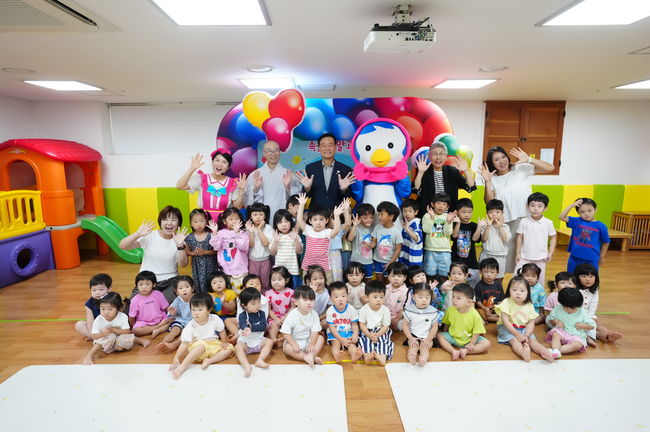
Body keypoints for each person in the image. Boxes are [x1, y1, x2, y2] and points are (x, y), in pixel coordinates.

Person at [478, 146, 555, 273]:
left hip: (527, 219)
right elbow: (489, 202)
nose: (501, 161)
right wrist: (488, 182)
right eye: (496, 159)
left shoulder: (520, 168)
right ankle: (499, 280)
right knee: (505, 256)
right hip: (506, 222)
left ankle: (527, 280)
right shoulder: (492, 177)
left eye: (503, 157)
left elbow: (550, 168)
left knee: (527, 253)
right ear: (492, 163)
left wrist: (529, 159)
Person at [119, 206, 189, 302]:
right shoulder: (150, 235)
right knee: (134, 305)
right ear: (160, 222)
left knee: (170, 306)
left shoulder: (180, 239)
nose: (169, 223)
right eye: (165, 219)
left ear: (178, 223)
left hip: (170, 281)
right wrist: (138, 234)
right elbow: (123, 246)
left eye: (173, 220)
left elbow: (183, 264)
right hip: (147, 280)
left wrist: (180, 246)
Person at [169, 292, 234, 379]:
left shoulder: (215, 318)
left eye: (200, 310)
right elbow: (184, 343)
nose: (196, 313)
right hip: (198, 348)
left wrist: (224, 342)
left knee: (229, 348)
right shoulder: (191, 325)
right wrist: (176, 359)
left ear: (209, 310)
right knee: (201, 346)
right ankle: (182, 367)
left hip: (212, 345)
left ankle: (209, 361)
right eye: (193, 309)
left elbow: (222, 331)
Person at [495, 276, 554, 362]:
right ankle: (523, 353)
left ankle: (545, 352)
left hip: (523, 328)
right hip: (507, 328)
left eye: (522, 291)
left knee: (532, 341)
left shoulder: (529, 305)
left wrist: (526, 335)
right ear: (509, 291)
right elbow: (505, 321)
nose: (518, 293)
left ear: (527, 293)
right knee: (514, 341)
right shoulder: (506, 302)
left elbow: (531, 323)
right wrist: (517, 334)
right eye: (514, 290)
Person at [176, 150, 246, 219]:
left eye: (224, 162)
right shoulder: (202, 178)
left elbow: (237, 207)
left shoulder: (233, 183)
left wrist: (241, 190)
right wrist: (191, 169)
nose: (219, 164)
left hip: (224, 221)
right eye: (217, 160)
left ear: (228, 167)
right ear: (212, 162)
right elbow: (180, 186)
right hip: (203, 221)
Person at [83, 293, 149, 364]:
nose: (106, 312)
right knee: (107, 338)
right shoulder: (98, 320)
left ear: (118, 308)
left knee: (127, 337)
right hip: (106, 341)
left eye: (110, 309)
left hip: (119, 340)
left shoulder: (122, 316)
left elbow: (127, 331)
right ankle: (89, 356)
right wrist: (103, 334)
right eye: (103, 309)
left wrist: (113, 330)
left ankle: (138, 340)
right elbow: (94, 336)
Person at [412, 142, 476, 217]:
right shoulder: (424, 171)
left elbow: (470, 188)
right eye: (435, 154)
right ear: (430, 156)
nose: (438, 157)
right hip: (428, 216)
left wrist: (466, 171)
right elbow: (416, 190)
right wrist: (420, 172)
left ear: (446, 156)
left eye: (441, 154)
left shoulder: (452, 171)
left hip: (448, 217)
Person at [244, 140, 302, 220]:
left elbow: (296, 201)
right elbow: (247, 201)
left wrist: (288, 188)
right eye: (269, 151)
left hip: (282, 219)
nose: (273, 153)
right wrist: (256, 189)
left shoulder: (288, 174)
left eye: (276, 150)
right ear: (264, 153)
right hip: (261, 218)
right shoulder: (255, 175)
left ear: (280, 152)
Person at [296, 133, 355, 210]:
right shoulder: (310, 168)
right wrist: (307, 188)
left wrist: (344, 190)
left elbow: (347, 197)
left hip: (337, 213)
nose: (327, 148)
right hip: (316, 213)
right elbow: (305, 196)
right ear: (319, 148)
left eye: (330, 145)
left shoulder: (345, 169)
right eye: (323, 145)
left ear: (335, 147)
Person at [296, 193, 347, 283]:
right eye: (315, 219)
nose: (318, 222)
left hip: (324, 266)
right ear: (310, 221)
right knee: (307, 285)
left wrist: (336, 216)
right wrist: (302, 205)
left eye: (321, 219)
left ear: (326, 220)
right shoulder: (308, 230)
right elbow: (300, 220)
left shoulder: (327, 232)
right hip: (308, 265)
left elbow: (336, 230)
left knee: (328, 285)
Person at [437, 283, 491, 360]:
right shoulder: (450, 310)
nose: (454, 300)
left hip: (469, 339)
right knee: (439, 335)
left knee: (487, 344)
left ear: (468, 302)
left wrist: (472, 343)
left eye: (458, 298)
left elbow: (477, 331)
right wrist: (445, 334)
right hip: (453, 337)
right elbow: (447, 323)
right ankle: (453, 351)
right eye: (453, 296)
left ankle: (465, 351)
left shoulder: (474, 314)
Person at [574, 263, 623, 345]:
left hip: (588, 314)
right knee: (586, 327)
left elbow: (594, 303)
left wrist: (590, 316)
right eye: (584, 276)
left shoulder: (595, 289)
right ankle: (600, 335)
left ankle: (608, 333)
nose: (588, 279)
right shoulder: (574, 289)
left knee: (597, 324)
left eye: (591, 276)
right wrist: (585, 318)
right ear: (577, 277)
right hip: (576, 315)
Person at [514, 192, 557, 283]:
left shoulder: (548, 222)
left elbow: (553, 238)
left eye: (539, 206)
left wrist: (550, 253)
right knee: (517, 278)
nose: (535, 209)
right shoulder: (524, 221)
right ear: (528, 206)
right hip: (524, 257)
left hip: (541, 258)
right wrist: (517, 253)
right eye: (532, 205)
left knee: (539, 281)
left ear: (545, 208)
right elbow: (519, 237)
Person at [559, 198, 610, 272]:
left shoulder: (601, 226)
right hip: (575, 257)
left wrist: (601, 257)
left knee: (590, 277)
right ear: (578, 213)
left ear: (595, 209)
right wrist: (572, 205)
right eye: (582, 212)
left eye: (589, 210)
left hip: (592, 258)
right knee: (572, 277)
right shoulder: (577, 221)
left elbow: (606, 242)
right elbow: (561, 217)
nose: (587, 214)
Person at [280, 285, 325, 367]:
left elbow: (315, 332)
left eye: (311, 300)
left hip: (309, 341)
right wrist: (293, 344)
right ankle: (306, 357)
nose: (309, 302)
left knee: (321, 338)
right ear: (296, 302)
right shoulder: (293, 314)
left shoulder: (314, 314)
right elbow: (285, 333)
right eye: (305, 300)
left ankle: (311, 355)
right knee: (287, 347)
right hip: (295, 342)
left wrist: (311, 344)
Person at [545, 287, 595, 359]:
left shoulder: (582, 312)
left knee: (578, 345)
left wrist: (583, 326)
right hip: (562, 331)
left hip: (576, 335)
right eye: (565, 307)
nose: (569, 310)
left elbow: (592, 325)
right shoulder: (558, 308)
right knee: (556, 334)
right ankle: (555, 350)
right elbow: (551, 318)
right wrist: (556, 321)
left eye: (573, 308)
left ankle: (556, 351)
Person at [208, 207, 249, 293]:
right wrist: (214, 233)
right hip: (225, 270)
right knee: (228, 294)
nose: (234, 221)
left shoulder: (243, 232)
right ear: (224, 221)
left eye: (237, 219)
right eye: (231, 219)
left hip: (240, 270)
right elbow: (216, 246)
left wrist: (237, 233)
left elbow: (244, 246)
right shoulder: (221, 233)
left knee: (240, 293)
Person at [235, 287, 273, 377]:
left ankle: (260, 360)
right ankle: (246, 365)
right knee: (237, 347)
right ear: (244, 305)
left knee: (269, 342)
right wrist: (245, 328)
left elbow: (263, 326)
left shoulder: (262, 314)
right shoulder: (242, 315)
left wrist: (251, 327)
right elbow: (242, 324)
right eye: (253, 304)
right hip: (246, 343)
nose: (257, 305)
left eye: (259, 302)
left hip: (259, 341)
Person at [402, 283, 441, 367]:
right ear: (413, 297)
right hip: (413, 335)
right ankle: (411, 356)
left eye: (427, 297)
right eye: (420, 297)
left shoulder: (432, 311)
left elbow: (434, 327)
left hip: (427, 336)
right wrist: (410, 338)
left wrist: (429, 339)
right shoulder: (409, 310)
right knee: (413, 346)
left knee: (425, 348)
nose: (424, 300)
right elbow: (405, 325)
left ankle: (423, 358)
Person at [224, 274, 269, 343]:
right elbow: (239, 314)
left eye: (258, 284)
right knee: (227, 320)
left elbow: (264, 316)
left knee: (265, 327)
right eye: (251, 284)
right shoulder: (242, 298)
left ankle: (240, 334)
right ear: (245, 287)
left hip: (257, 322)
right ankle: (237, 333)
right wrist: (242, 324)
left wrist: (251, 326)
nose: (255, 285)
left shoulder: (264, 300)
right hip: (244, 321)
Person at [155, 276, 194, 353]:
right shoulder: (177, 300)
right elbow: (172, 314)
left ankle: (175, 344)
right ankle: (163, 343)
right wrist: (172, 313)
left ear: (192, 288)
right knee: (174, 330)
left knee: (185, 333)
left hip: (193, 322)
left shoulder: (196, 298)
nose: (184, 290)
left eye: (187, 287)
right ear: (177, 292)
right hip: (181, 320)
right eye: (181, 288)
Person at [358, 281, 394, 366]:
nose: (378, 300)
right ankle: (367, 356)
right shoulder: (363, 309)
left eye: (381, 297)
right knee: (364, 341)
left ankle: (382, 357)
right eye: (375, 297)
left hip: (381, 331)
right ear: (367, 297)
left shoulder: (385, 310)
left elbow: (386, 326)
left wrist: (377, 334)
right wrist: (369, 335)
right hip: (367, 331)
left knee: (384, 342)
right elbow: (362, 325)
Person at [421, 193, 456, 282]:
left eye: (444, 204)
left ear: (447, 207)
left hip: (445, 251)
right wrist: (432, 217)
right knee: (430, 275)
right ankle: (430, 290)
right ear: (432, 204)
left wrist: (448, 222)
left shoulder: (448, 217)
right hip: (431, 249)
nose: (441, 206)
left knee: (445, 275)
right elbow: (426, 230)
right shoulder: (427, 216)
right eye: (438, 203)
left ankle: (444, 290)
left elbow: (448, 233)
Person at [326, 282, 362, 363]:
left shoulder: (351, 309)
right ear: (331, 299)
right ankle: (337, 356)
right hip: (336, 334)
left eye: (343, 296)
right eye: (336, 297)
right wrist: (340, 339)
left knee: (351, 345)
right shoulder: (330, 311)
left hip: (348, 332)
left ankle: (354, 355)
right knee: (336, 344)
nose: (340, 299)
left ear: (347, 296)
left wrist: (355, 334)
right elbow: (332, 328)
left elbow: (354, 324)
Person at [128, 271, 171, 337]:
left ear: (153, 285)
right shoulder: (135, 300)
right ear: (137, 286)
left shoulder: (158, 294)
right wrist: (134, 326)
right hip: (144, 323)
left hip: (161, 319)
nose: (144, 287)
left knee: (171, 321)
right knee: (135, 331)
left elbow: (166, 308)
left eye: (147, 284)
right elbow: (131, 317)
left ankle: (158, 330)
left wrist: (171, 312)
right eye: (141, 284)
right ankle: (158, 328)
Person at [184, 208, 217, 293]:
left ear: (206, 222)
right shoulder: (189, 237)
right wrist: (194, 253)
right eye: (195, 222)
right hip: (197, 267)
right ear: (191, 224)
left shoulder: (211, 235)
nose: (199, 224)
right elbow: (187, 251)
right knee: (198, 286)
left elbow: (216, 250)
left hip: (210, 266)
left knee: (211, 285)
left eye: (202, 221)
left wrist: (205, 252)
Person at [479, 199, 511, 284]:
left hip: (500, 256)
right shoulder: (484, 226)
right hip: (487, 255)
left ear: (502, 213)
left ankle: (498, 292)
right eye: (491, 212)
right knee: (485, 278)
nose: (494, 214)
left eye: (497, 212)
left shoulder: (505, 226)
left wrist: (500, 227)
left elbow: (505, 239)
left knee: (499, 278)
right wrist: (488, 227)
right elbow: (484, 239)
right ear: (487, 214)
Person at [451, 198, 481, 287]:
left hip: (471, 261)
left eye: (469, 212)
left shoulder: (474, 225)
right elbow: (454, 236)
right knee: (457, 282)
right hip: (457, 260)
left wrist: (479, 227)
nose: (467, 215)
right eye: (463, 212)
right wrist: (458, 223)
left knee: (474, 282)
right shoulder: (454, 223)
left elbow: (475, 239)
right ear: (457, 212)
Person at [370, 201, 404, 282]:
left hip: (390, 262)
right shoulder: (377, 227)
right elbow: (374, 242)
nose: (379, 217)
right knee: (380, 282)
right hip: (377, 261)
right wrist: (370, 245)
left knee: (389, 282)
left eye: (381, 214)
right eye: (378, 214)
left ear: (391, 216)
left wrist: (391, 262)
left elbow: (398, 248)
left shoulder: (396, 231)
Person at [269, 209, 303, 289]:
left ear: (291, 222)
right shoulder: (275, 235)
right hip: (279, 272)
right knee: (280, 291)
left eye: (286, 221)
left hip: (293, 270)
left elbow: (299, 251)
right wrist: (276, 241)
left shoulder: (294, 234)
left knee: (293, 291)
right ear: (276, 224)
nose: (283, 225)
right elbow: (272, 253)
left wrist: (295, 240)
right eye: (280, 222)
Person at [246, 202, 273, 292]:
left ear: (265, 216)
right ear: (250, 216)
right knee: (253, 283)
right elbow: (251, 245)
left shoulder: (268, 228)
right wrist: (251, 231)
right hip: (252, 260)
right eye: (255, 215)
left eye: (261, 214)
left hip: (265, 260)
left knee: (265, 283)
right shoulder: (248, 228)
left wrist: (259, 230)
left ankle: (265, 298)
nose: (258, 217)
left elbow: (266, 244)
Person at [74, 273, 111, 340]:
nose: (97, 292)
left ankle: (101, 338)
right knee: (79, 325)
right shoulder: (89, 303)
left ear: (109, 289)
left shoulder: (112, 299)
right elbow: (90, 321)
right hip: (98, 326)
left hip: (111, 326)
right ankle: (96, 338)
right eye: (94, 290)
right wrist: (93, 333)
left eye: (101, 289)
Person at [266, 266, 295, 346]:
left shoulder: (291, 292)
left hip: (288, 316)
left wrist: (285, 317)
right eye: (273, 280)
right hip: (274, 317)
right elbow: (268, 309)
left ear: (287, 280)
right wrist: (276, 319)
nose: (276, 282)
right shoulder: (268, 293)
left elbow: (293, 307)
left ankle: (288, 339)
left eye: (279, 279)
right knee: (274, 326)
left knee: (294, 326)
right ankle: (273, 338)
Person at [348, 203, 376, 281]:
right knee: (356, 280)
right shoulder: (357, 228)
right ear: (359, 218)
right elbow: (350, 239)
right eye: (365, 218)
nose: (369, 220)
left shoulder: (373, 228)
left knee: (368, 280)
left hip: (368, 261)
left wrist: (370, 245)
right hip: (356, 261)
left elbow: (374, 243)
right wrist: (354, 225)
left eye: (371, 217)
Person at [473, 258, 504, 323]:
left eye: (492, 272)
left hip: (495, 309)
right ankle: (500, 320)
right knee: (479, 312)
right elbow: (477, 301)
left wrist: (498, 307)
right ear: (481, 272)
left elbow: (501, 299)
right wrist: (484, 308)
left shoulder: (498, 285)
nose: (489, 275)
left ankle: (497, 318)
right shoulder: (479, 285)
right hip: (483, 309)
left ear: (497, 272)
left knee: (505, 311)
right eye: (486, 272)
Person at [383, 261, 409, 331]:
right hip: (384, 314)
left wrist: (397, 319)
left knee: (401, 325)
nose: (396, 279)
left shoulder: (406, 292)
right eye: (393, 276)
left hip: (398, 316)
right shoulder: (385, 288)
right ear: (388, 277)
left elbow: (404, 308)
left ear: (404, 278)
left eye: (399, 276)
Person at [329, 206, 351, 283]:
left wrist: (346, 210)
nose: (337, 221)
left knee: (337, 275)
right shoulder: (324, 231)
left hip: (336, 255)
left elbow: (347, 223)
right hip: (325, 255)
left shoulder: (339, 231)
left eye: (338, 218)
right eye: (334, 218)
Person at [399, 198, 423, 267]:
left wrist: (407, 230)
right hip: (406, 254)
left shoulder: (416, 223)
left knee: (414, 273)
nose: (407, 213)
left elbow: (417, 239)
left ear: (416, 212)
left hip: (413, 258)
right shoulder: (406, 222)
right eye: (405, 211)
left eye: (410, 211)